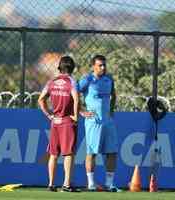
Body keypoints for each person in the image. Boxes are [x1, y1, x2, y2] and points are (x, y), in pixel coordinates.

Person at [77, 55, 120, 192]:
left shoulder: (109, 79)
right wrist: (81, 111)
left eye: (104, 65)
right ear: (93, 66)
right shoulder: (87, 80)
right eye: (100, 65)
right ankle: (90, 184)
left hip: (108, 122)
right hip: (93, 122)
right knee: (92, 153)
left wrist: (111, 111)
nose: (103, 68)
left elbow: (114, 95)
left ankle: (109, 184)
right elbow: (74, 94)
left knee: (112, 152)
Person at [38, 56, 79, 192]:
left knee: (54, 154)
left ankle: (51, 184)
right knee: (68, 154)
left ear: (59, 68)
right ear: (72, 68)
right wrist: (75, 116)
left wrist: (49, 115)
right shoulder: (71, 82)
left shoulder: (52, 81)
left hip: (55, 121)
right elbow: (76, 98)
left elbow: (41, 99)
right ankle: (66, 184)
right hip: (67, 121)